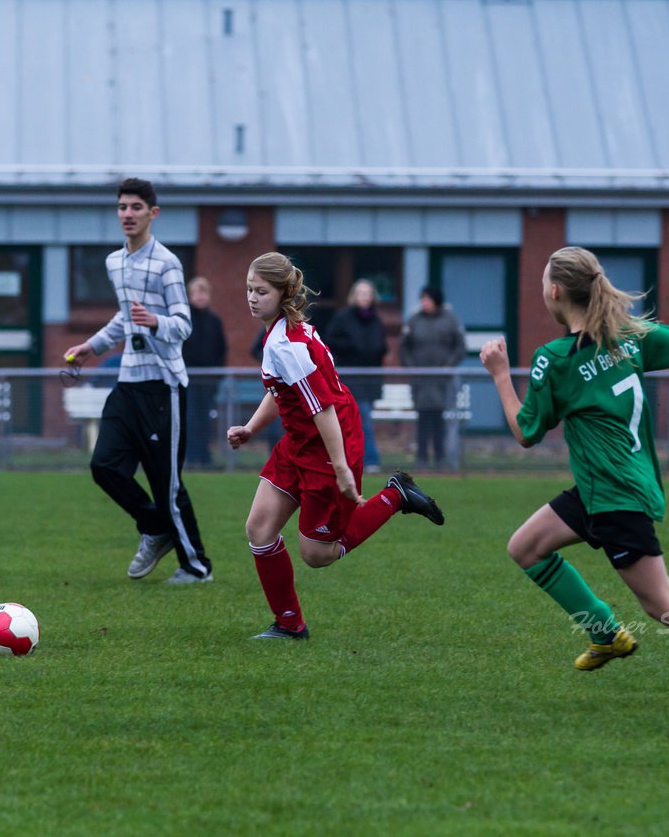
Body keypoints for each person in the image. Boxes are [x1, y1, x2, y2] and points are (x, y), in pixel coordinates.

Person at [479, 246, 669, 719]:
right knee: (525, 547)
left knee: (664, 605)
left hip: (615, 497)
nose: (543, 290)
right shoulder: (629, 335)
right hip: (603, 487)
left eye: (544, 281)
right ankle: (605, 632)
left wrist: (500, 375)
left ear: (556, 291)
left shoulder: (557, 359)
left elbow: (525, 434)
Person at [227, 252, 445, 640]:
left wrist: (342, 467)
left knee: (316, 554)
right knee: (259, 529)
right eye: (249, 289)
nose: (252, 297)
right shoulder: (280, 333)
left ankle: (395, 496)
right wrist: (251, 428)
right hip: (300, 441)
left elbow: (323, 408)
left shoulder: (287, 344)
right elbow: (282, 392)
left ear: (283, 294)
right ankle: (290, 625)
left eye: (261, 291)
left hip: (329, 444)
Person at [63, 178, 213, 586]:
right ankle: (153, 527)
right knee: (103, 465)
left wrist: (156, 321)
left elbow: (183, 324)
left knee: (167, 483)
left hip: (164, 387)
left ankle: (196, 567)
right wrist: (91, 346)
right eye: (122, 207)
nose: (127, 214)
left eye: (136, 207)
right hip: (128, 381)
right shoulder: (116, 262)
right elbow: (123, 319)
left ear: (153, 213)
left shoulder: (167, 263)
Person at [399, 286, 466, 468]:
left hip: (441, 380)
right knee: (422, 419)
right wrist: (411, 367)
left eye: (427, 298)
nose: (424, 302)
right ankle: (421, 458)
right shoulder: (414, 321)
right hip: (420, 381)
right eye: (423, 299)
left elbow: (460, 347)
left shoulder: (450, 320)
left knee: (438, 418)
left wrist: (448, 365)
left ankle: (440, 458)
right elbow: (403, 347)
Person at [324, 279, 387, 471]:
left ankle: (356, 459)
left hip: (370, 379)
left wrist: (376, 351)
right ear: (354, 296)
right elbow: (330, 341)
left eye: (368, 293)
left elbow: (379, 346)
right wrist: (352, 348)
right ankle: (370, 459)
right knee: (361, 419)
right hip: (351, 378)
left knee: (361, 419)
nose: (365, 297)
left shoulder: (375, 319)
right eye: (361, 293)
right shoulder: (343, 318)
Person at [181, 277, 228, 467]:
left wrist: (216, 376)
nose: (200, 297)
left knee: (206, 419)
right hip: (190, 380)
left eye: (203, 293)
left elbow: (221, 349)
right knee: (191, 419)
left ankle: (205, 457)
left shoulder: (214, 321)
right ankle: (191, 457)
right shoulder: (184, 320)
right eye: (196, 293)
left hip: (209, 381)